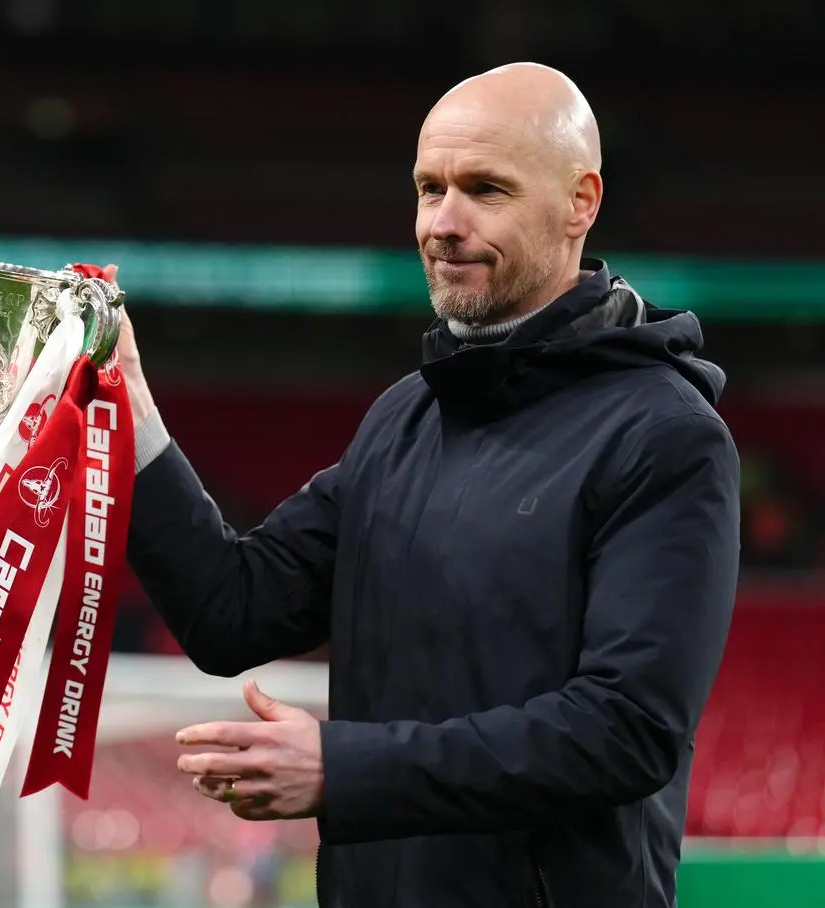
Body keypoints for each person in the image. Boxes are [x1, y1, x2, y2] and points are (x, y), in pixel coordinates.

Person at [112, 62, 741, 907]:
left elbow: (626, 731)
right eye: (428, 187)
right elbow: (233, 610)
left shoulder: (666, 436)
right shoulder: (404, 419)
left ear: (580, 203)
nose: (444, 223)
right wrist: (130, 421)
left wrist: (342, 768)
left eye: (485, 189)